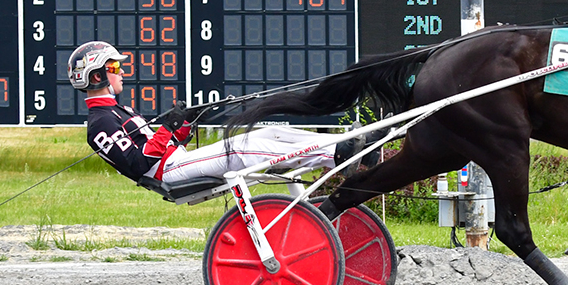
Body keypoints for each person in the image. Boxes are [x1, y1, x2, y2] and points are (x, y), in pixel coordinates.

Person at [67, 41, 371, 186]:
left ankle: (342, 146)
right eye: (114, 68)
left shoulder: (118, 110)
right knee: (243, 146)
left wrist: (185, 123)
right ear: (96, 77)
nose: (121, 73)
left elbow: (163, 144)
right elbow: (137, 163)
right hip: (168, 173)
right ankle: (336, 156)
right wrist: (168, 129)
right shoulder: (101, 124)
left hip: (176, 161)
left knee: (267, 133)